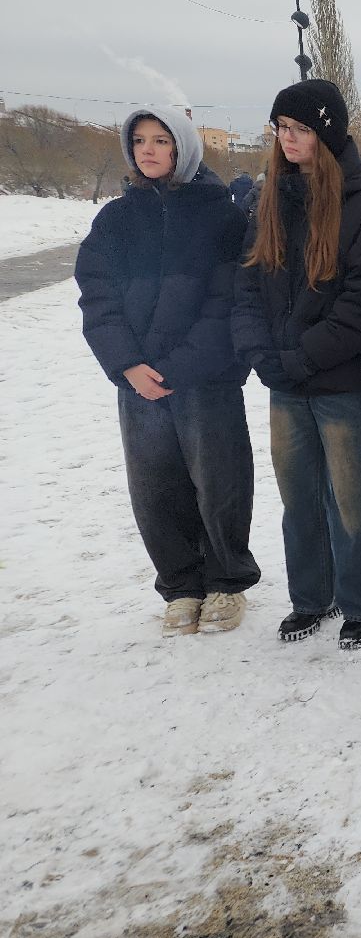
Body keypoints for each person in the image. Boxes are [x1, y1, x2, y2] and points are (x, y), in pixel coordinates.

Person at [75, 107, 260, 637]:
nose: (149, 150)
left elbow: (227, 300)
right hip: (138, 383)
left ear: (184, 147)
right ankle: (181, 583)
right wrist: (128, 364)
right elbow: (98, 298)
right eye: (139, 140)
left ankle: (226, 578)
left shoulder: (221, 216)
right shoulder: (115, 219)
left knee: (219, 480)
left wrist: (177, 367)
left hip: (205, 377)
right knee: (155, 485)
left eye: (162, 140)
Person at [232, 79, 361, 650]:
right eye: (281, 128)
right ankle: (310, 598)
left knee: (352, 501)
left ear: (325, 135)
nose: (288, 139)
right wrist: (264, 356)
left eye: (300, 129)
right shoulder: (268, 201)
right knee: (298, 498)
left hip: (342, 383)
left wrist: (301, 357)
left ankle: (360, 604)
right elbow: (247, 284)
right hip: (285, 381)